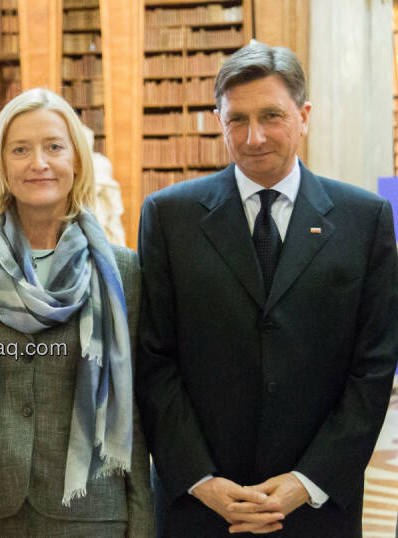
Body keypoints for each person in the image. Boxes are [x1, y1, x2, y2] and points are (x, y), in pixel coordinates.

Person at [136, 40, 398, 537]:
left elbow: (373, 367)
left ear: (304, 116)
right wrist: (201, 479)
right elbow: (154, 360)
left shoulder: (365, 221)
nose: (253, 137)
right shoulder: (169, 217)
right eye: (237, 119)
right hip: (201, 507)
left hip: (317, 506)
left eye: (271, 116)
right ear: (219, 121)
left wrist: (307, 480)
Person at [0, 87, 154, 537]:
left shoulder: (121, 270)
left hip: (93, 514)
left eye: (54, 146)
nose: (38, 162)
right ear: (1, 163)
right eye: (20, 149)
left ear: (76, 159)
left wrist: (143, 521)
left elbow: (133, 409)